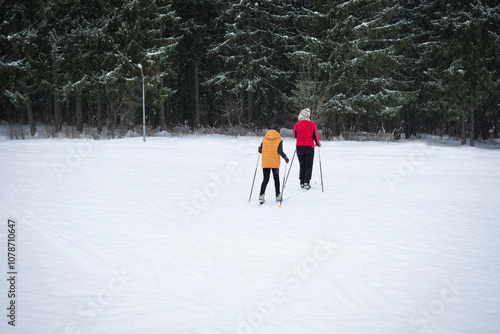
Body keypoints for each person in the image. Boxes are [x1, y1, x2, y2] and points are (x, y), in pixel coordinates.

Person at [258, 124, 289, 204]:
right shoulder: (279, 139)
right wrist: (285, 158)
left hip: (265, 162)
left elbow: (260, 150)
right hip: (274, 163)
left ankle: (261, 196)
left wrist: (259, 148)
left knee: (265, 179)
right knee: (276, 179)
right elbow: (280, 151)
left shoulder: (264, 139)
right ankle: (278, 195)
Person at [293, 108, 321, 189]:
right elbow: (315, 136)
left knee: (302, 165)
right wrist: (318, 144)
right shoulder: (312, 124)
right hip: (309, 147)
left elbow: (295, 135)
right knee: (308, 165)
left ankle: (301, 181)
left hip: (299, 147)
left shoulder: (297, 124)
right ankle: (306, 182)